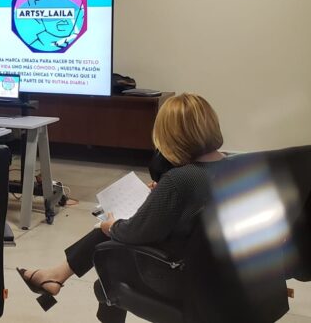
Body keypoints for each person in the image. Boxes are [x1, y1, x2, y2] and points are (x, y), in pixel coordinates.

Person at [16, 93, 225, 322]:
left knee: (108, 266)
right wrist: (160, 196)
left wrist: (112, 226)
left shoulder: (179, 179)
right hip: (219, 272)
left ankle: (55, 276)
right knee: (110, 241)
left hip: (179, 274)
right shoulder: (232, 165)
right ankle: (55, 275)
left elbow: (135, 232)